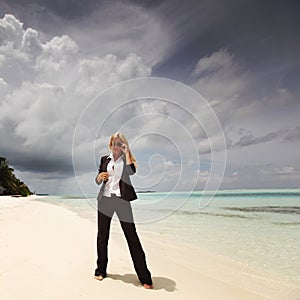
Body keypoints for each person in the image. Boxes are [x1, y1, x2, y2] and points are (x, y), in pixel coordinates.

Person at [94, 132, 153, 289]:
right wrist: (100, 177)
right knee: (102, 236)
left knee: (131, 236)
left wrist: (127, 153)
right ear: (110, 144)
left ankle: (145, 277)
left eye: (120, 143)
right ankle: (101, 270)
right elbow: (97, 179)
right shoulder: (104, 160)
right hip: (105, 200)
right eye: (115, 143)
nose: (117, 146)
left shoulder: (126, 161)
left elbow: (131, 172)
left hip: (122, 201)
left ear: (123, 145)